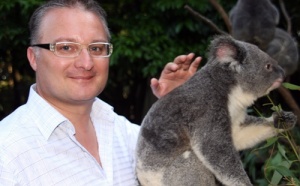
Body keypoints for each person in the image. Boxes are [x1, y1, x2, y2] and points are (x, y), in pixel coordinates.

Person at [0, 0, 201, 185]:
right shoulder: (7, 153)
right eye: (66, 47)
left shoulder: (123, 133)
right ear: (33, 57)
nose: (86, 63)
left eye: (96, 48)